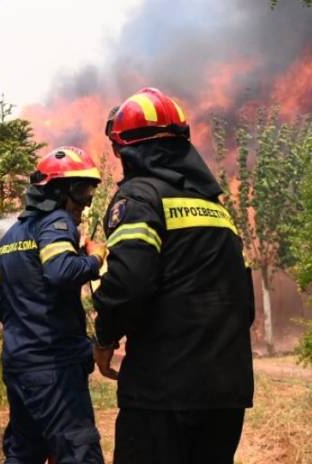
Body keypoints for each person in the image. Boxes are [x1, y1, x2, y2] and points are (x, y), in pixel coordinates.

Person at [91, 88, 255, 464]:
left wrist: (104, 338)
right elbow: (244, 303)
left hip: (163, 393)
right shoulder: (216, 209)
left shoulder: (139, 199)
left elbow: (128, 285)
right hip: (226, 392)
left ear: (126, 149)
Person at [0, 146, 107, 464]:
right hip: (54, 368)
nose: (86, 201)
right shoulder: (56, 222)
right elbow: (60, 272)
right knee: (78, 453)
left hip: (19, 366)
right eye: (83, 191)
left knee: (25, 453)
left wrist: (29, 320)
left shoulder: (10, 236)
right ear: (60, 191)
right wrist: (95, 257)